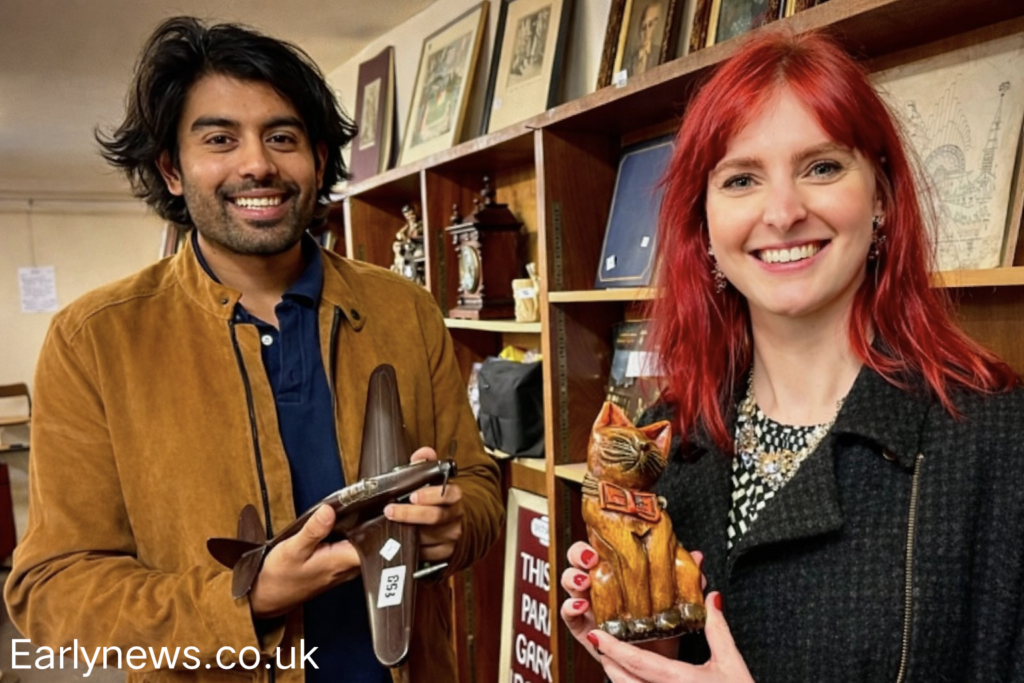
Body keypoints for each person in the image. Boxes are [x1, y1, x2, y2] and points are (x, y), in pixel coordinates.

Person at [4, 17, 503, 683]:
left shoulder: (404, 309)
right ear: (172, 169)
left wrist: (455, 523)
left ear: (318, 160)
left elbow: (479, 486)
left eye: (282, 137)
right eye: (219, 139)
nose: (258, 164)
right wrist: (246, 599)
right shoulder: (94, 339)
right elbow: (52, 591)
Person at [561, 31, 1024, 682]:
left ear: (882, 197)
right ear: (704, 224)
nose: (782, 212)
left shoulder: (996, 437)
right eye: (741, 179)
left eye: (822, 167)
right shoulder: (670, 437)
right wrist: (648, 654)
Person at [626, 2, 663, 77]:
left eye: (650, 25)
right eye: (643, 26)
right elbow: (619, 82)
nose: (646, 31)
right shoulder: (631, 58)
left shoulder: (659, 53)